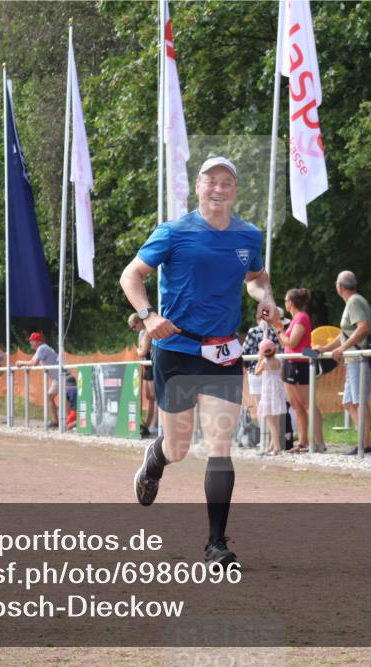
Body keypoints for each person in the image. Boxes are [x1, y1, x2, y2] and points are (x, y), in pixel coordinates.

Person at [120, 156, 276, 567]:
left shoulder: (248, 235)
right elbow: (130, 275)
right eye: (212, 182)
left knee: (221, 446)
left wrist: (266, 300)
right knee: (179, 447)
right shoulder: (173, 233)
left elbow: (257, 278)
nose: (219, 189)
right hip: (176, 351)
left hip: (224, 352)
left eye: (227, 183)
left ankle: (215, 545)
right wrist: (150, 316)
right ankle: (155, 460)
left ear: (234, 191)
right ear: (198, 187)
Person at [315, 271, 371, 456]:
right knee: (349, 402)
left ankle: (365, 444)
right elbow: (345, 335)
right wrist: (324, 348)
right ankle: (365, 441)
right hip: (352, 359)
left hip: (358, 358)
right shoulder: (352, 302)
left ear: (339, 287)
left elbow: (363, 327)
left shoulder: (354, 302)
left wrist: (343, 348)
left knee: (359, 402)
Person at [274, 287, 325, 453]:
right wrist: (280, 332)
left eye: (286, 300)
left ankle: (319, 442)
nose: (285, 303)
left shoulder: (302, 318)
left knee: (308, 404)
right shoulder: (296, 318)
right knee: (297, 406)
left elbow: (292, 343)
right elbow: (287, 343)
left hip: (300, 364)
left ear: (290, 302)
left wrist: (280, 331)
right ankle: (303, 442)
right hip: (290, 363)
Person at [242, 308, 280, 425]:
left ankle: (264, 437)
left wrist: (249, 366)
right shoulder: (275, 331)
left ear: (258, 319)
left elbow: (245, 350)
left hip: (256, 370)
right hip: (273, 371)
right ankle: (271, 437)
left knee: (260, 405)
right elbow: (279, 349)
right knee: (272, 406)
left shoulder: (253, 331)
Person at [16, 332, 61, 427]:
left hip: (61, 377)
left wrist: (21, 363)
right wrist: (23, 363)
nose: (30, 343)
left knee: (55, 398)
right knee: (50, 397)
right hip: (57, 378)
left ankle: (60, 420)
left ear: (37, 341)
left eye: (31, 341)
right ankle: (56, 420)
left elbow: (34, 363)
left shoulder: (42, 348)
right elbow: (32, 361)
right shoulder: (42, 348)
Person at [254, 338, 287, 456]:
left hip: (268, 392)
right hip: (278, 391)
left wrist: (259, 359)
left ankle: (276, 447)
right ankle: (272, 446)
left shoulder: (264, 362)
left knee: (271, 422)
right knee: (276, 422)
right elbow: (281, 376)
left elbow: (256, 373)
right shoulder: (279, 361)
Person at [128, 312, 158, 436]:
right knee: (150, 397)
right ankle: (147, 424)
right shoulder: (141, 333)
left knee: (155, 397)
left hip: (152, 366)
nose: (133, 330)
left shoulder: (148, 331)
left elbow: (142, 350)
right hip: (146, 366)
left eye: (134, 327)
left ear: (140, 322)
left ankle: (156, 425)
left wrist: (139, 350)